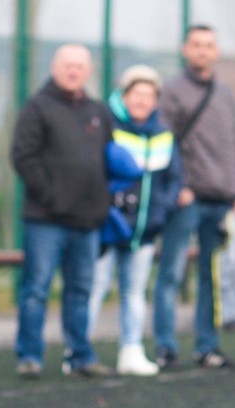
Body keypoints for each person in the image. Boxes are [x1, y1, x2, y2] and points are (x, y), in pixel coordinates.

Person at [11, 43, 113, 379]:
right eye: (68, 65)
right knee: (36, 290)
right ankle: (29, 356)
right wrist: (51, 196)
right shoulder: (37, 107)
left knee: (81, 291)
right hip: (46, 219)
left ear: (89, 71)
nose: (74, 71)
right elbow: (23, 156)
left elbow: (109, 159)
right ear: (55, 68)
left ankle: (81, 356)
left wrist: (102, 203)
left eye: (80, 66)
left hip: (87, 221)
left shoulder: (98, 110)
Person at [88, 65, 182, 376]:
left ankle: (131, 351)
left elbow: (173, 179)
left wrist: (160, 211)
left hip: (144, 231)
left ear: (156, 101)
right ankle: (79, 351)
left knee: (134, 292)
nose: (142, 101)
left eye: (148, 96)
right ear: (125, 96)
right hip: (109, 227)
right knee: (96, 286)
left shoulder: (164, 135)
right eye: (136, 94)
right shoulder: (107, 126)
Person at [153, 24, 235, 370]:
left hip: (221, 199)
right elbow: (163, 143)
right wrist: (179, 186)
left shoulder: (226, 93)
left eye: (208, 45)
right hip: (186, 199)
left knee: (211, 278)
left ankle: (207, 347)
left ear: (215, 51)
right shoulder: (171, 91)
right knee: (171, 272)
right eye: (196, 45)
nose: (203, 51)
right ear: (186, 49)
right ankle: (166, 347)